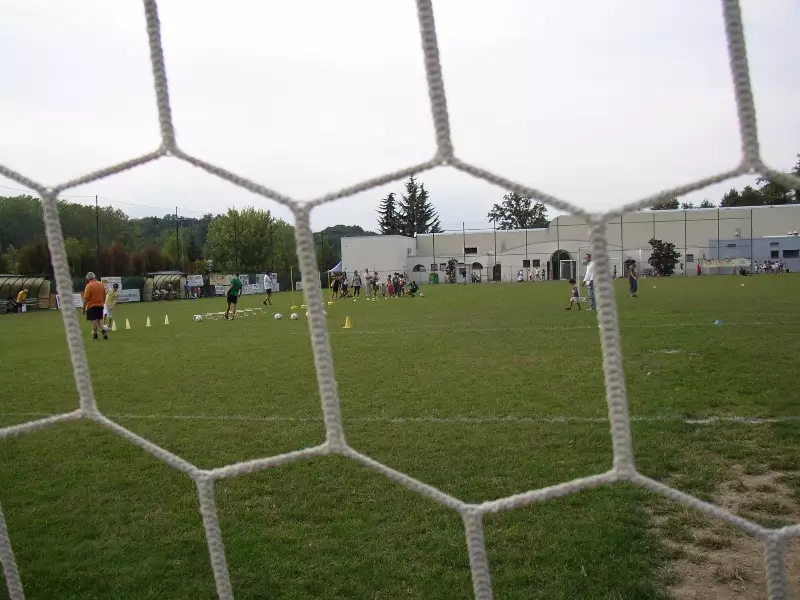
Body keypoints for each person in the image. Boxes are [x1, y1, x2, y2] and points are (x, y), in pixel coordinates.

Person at [83, 272, 107, 340]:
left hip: (92, 306)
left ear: (88, 278)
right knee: (100, 320)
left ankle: (95, 336)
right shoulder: (101, 284)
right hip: (100, 305)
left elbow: (86, 298)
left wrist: (83, 308)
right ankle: (104, 332)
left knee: (94, 321)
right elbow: (104, 295)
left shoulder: (89, 285)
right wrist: (102, 302)